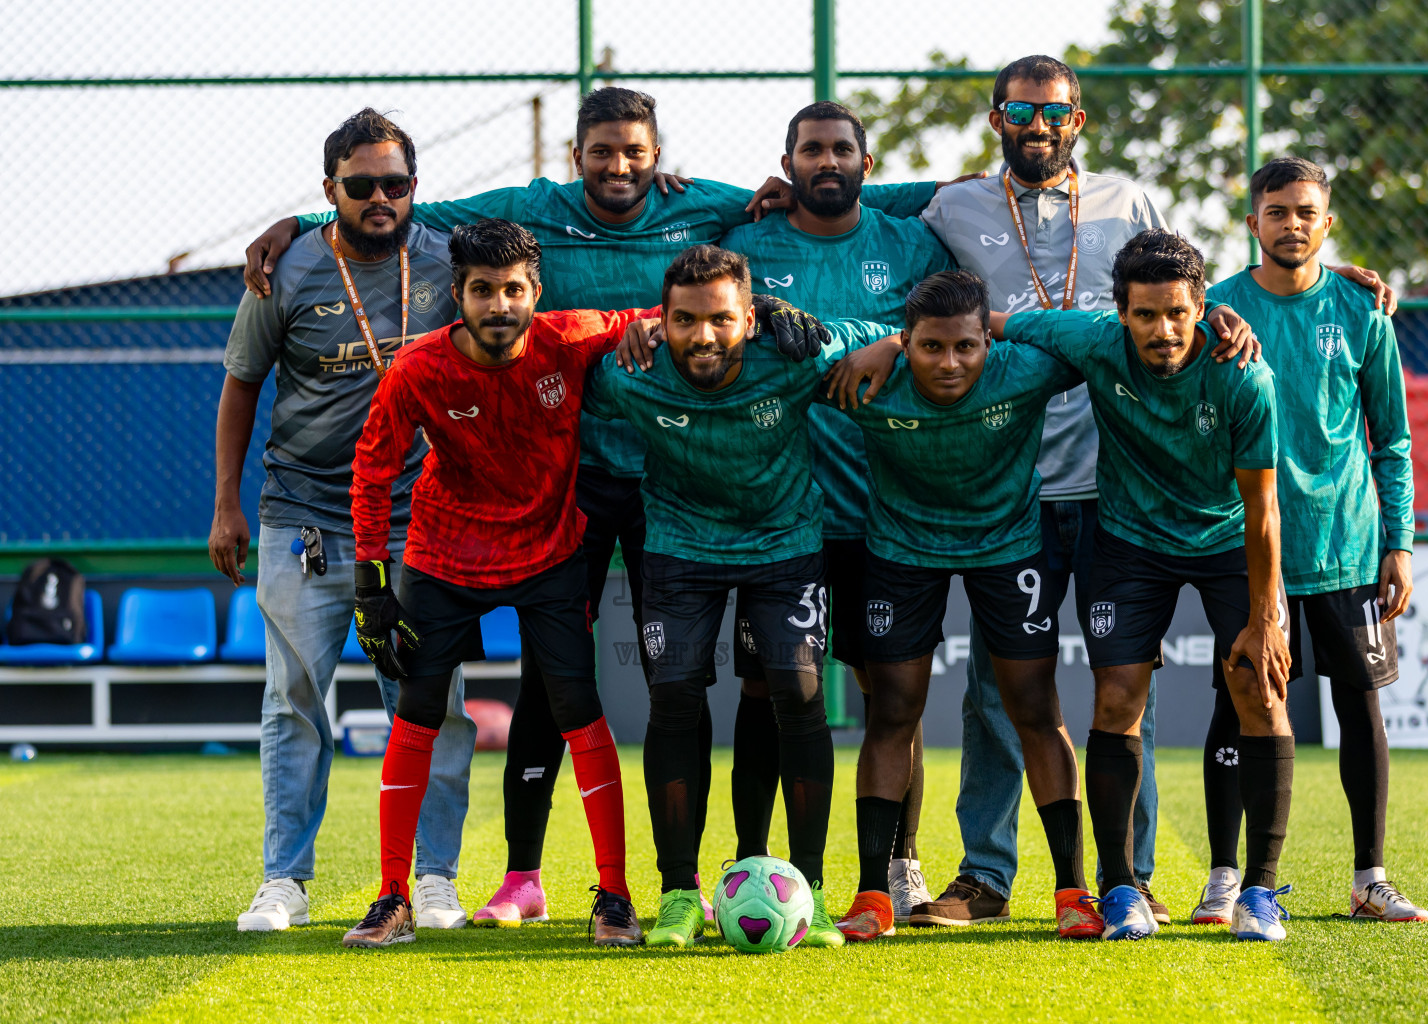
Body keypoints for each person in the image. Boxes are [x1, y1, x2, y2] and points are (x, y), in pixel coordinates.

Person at [241, 88, 950, 925]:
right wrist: (295, 219)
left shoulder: (707, 209)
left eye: (634, 153)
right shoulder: (528, 213)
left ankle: (690, 884)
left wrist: (950, 193)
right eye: (602, 152)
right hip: (569, 490)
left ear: (657, 157)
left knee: (682, 687)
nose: (618, 166)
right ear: (575, 157)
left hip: (665, 477)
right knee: (548, 685)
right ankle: (519, 876)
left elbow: (842, 194)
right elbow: (400, 204)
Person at [914, 53, 1397, 928]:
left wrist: (1342, 275)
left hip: (1114, 491)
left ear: (1078, 122)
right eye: (1020, 112)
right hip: (1011, 486)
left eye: (1054, 113)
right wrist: (757, 195)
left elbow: (1203, 275)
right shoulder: (952, 204)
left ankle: (1132, 877)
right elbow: (857, 199)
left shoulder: (1130, 203)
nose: (1038, 127)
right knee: (997, 687)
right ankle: (985, 877)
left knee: (1122, 693)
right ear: (996, 121)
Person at [339, 219, 654, 948]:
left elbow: (669, 316)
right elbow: (372, 470)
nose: (499, 305)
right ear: (459, 295)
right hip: (444, 556)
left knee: (579, 706)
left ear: (535, 293)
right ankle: (392, 898)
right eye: (483, 291)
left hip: (548, 556)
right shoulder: (418, 368)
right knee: (418, 712)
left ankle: (615, 896)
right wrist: (370, 583)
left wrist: (763, 312)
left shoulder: (570, 337)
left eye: (514, 290)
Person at [210, 109, 475, 934]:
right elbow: (242, 386)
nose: (380, 198)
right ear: (331, 191)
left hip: (420, 521)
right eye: (360, 185)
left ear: (414, 189)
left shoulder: (447, 260)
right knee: (293, 699)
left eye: (395, 184)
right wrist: (226, 504)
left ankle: (433, 878)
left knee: (433, 699)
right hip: (306, 517)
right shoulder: (283, 270)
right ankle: (283, 880)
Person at [583, 244, 889, 949]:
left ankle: (804, 889)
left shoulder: (795, 355)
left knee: (799, 692)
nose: (703, 336)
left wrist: (870, 333)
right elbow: (565, 366)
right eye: (684, 320)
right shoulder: (631, 373)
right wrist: (620, 328)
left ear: (750, 320)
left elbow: (881, 334)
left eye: (721, 319)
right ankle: (679, 895)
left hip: (784, 548)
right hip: (681, 550)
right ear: (662, 320)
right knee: (676, 698)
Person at [996, 228, 1295, 942]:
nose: (1163, 331)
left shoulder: (1243, 375)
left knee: (1261, 688)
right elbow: (992, 321)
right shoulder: (1094, 340)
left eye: (1179, 313)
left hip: (1226, 539)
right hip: (1129, 542)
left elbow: (1263, 509)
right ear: (1120, 313)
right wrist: (886, 342)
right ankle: (1122, 887)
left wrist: (1263, 618)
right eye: (1146, 315)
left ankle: (1258, 892)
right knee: (1117, 698)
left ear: (1203, 308)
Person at [716, 101, 955, 920]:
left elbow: (953, 327)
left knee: (892, 695)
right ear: (787, 163)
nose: (828, 161)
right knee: (764, 691)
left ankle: (900, 865)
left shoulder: (910, 244)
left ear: (864, 158)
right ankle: (749, 867)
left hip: (883, 507)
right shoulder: (749, 246)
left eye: (841, 149)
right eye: (811, 150)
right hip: (781, 514)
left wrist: (891, 340)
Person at [819, 269, 1103, 941]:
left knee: (1036, 709)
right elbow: (807, 339)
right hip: (900, 550)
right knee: (891, 712)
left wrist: (1000, 324)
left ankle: (1073, 891)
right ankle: (872, 896)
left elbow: (1095, 334)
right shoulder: (867, 379)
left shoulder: (1025, 369)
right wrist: (879, 341)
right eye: (930, 347)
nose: (950, 364)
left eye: (966, 347)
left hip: (1007, 548)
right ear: (907, 343)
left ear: (987, 343)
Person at [1197, 157, 1427, 925]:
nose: (1291, 224)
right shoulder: (1215, 310)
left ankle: (1370, 877)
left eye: (1306, 212)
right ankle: (1225, 878)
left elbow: (1391, 439)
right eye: (1277, 211)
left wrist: (1400, 544)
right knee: (1238, 709)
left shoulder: (1363, 312)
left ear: (1326, 223)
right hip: (1248, 549)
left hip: (1347, 546)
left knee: (1360, 709)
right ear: (1252, 221)